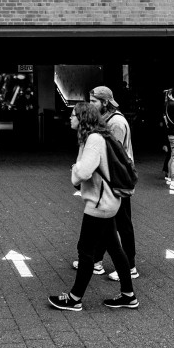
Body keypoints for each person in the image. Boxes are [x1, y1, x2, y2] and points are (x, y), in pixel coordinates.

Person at [48, 103, 138, 312]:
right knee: (114, 248)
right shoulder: (100, 136)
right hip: (108, 201)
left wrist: (74, 169)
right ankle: (128, 295)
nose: (70, 118)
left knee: (85, 250)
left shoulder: (93, 139)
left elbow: (84, 172)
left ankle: (74, 298)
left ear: (83, 119)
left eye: (73, 115)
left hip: (99, 204)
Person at [70, 87, 139, 283]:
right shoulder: (106, 120)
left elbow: (113, 155)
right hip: (110, 183)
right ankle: (98, 262)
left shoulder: (116, 122)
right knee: (108, 227)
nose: (91, 105)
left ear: (105, 102)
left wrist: (81, 166)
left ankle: (130, 266)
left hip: (115, 181)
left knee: (123, 224)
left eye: (94, 101)